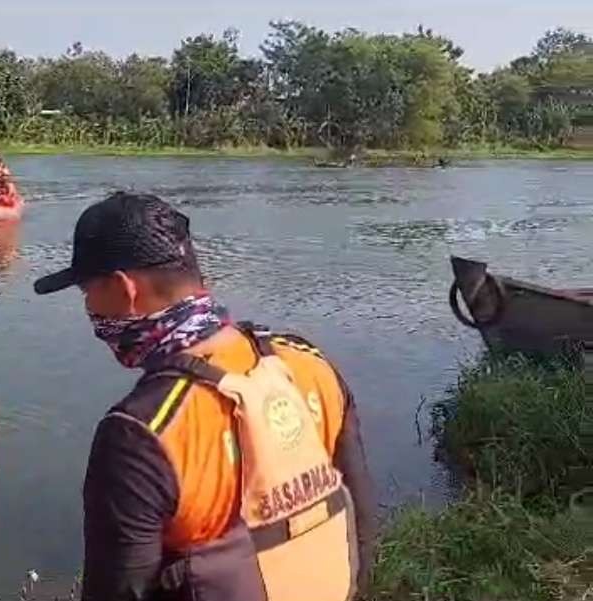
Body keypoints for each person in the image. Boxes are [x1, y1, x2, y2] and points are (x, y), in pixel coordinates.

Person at [33, 192, 375, 601]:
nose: (88, 307)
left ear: (125, 290)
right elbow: (361, 528)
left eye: (87, 292)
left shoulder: (140, 433)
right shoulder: (308, 362)